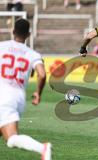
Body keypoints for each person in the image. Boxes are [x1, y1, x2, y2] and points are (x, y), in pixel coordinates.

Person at [0, 19, 51, 160]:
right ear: (28, 34)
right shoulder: (32, 54)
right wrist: (38, 93)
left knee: (11, 139)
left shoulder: (1, 46)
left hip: (2, 95)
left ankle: (42, 148)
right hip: (17, 97)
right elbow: (42, 74)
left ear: (13, 31)